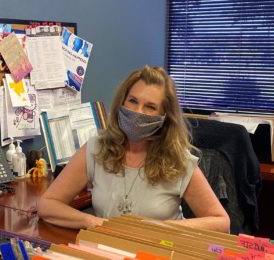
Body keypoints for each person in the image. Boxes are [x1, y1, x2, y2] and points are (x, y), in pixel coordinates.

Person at [38, 65, 230, 233]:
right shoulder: (98, 148)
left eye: (150, 107)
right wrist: (93, 222)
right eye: (132, 101)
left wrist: (164, 228)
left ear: (164, 116)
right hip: (108, 249)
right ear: (122, 102)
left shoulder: (179, 161)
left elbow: (221, 223)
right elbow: (48, 205)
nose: (138, 112)